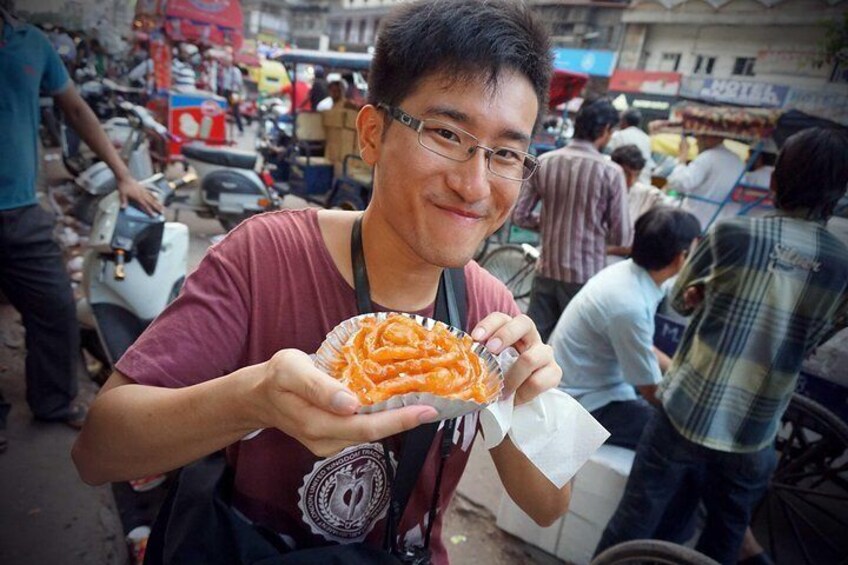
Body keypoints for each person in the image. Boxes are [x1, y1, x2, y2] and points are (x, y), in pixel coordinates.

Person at [73, 2, 570, 563]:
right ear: (373, 133)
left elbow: (549, 508)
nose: (475, 185)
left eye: (505, 152)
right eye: (447, 133)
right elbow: (98, 451)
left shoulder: (489, 316)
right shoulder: (265, 258)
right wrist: (254, 400)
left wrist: (532, 404)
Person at [595, 127, 848, 564]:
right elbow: (818, 336)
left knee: (637, 515)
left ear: (775, 180)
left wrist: (704, 300)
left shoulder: (732, 235)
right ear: (839, 191)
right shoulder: (842, 266)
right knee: (725, 536)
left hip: (686, 412)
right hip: (755, 430)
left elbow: (679, 299)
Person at [0, 3, 161, 439]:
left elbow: (76, 110)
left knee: (55, 308)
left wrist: (124, 175)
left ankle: (52, 402)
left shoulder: (31, 42)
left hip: (19, 210)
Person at [551, 207, 699, 449]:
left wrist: (679, 370)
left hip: (587, 382)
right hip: (584, 402)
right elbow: (652, 391)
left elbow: (644, 347)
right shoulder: (630, 305)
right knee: (675, 436)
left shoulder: (631, 274)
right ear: (680, 258)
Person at [513, 97, 631, 342]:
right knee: (573, 344)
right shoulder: (611, 172)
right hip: (585, 276)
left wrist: (550, 222)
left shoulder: (545, 162)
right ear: (605, 130)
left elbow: (520, 216)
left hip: (547, 268)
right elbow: (622, 236)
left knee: (531, 344)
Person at [665, 133, 745, 231]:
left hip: (697, 222)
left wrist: (682, 157)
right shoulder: (738, 161)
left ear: (709, 137)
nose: (697, 142)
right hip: (723, 226)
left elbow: (678, 183)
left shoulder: (708, 157)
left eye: (699, 137)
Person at [606, 144, 669, 262]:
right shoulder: (600, 191)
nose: (631, 181)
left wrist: (609, 250)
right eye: (626, 174)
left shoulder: (649, 196)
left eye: (636, 175)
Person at [606, 108, 654, 184]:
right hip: (645, 181)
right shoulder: (646, 138)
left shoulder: (618, 135)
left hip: (624, 181)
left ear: (624, 121)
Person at [221, 59, 244, 134]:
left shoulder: (235, 71)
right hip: (226, 91)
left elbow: (239, 83)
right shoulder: (224, 70)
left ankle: (241, 129)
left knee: (236, 111)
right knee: (222, 109)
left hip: (234, 92)